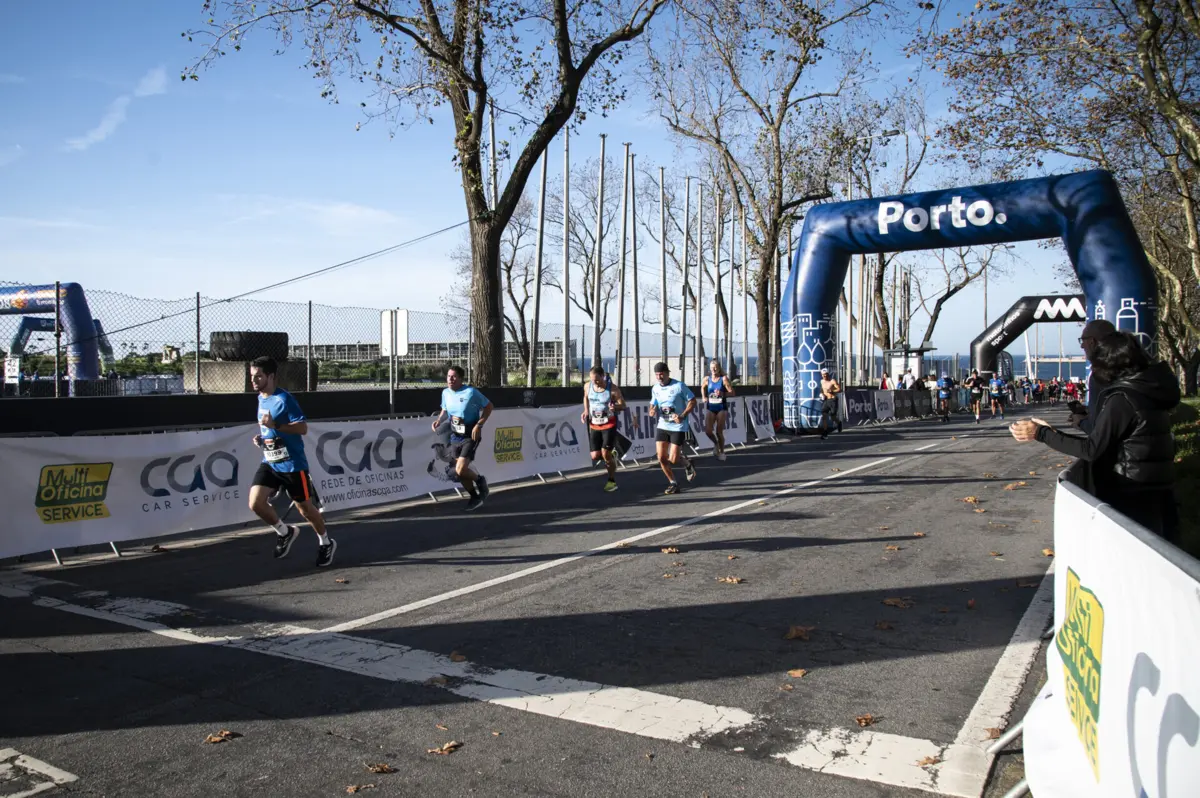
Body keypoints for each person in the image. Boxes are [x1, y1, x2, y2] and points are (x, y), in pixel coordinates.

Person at [1009, 332, 1180, 541]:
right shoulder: (1148, 391)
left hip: (1131, 492)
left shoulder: (1123, 400)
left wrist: (1041, 433)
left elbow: (1091, 449)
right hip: (1157, 490)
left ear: (1109, 365)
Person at [248, 356, 336, 568]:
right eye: (252, 376)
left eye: (258, 376)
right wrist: (262, 438)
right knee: (255, 503)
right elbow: (269, 427)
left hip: (292, 465)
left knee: (305, 509)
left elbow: (302, 428)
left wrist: (276, 425)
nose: (254, 380)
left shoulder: (284, 399)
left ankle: (326, 542)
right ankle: (284, 532)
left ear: (271, 376)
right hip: (270, 461)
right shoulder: (261, 397)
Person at [432, 365, 494, 511]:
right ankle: (474, 496)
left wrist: (479, 424)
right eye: (448, 376)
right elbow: (445, 410)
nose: (450, 379)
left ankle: (480, 481)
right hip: (455, 436)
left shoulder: (471, 392)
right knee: (458, 472)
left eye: (453, 377)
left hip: (470, 435)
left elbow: (489, 406)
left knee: (460, 469)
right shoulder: (445, 393)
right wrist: (439, 420)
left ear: (460, 379)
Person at [648, 361, 697, 494]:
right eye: (657, 375)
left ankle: (687, 463)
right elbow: (653, 404)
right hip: (663, 425)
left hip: (678, 426)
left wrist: (683, 415)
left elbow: (693, 400)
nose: (659, 377)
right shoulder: (655, 388)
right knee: (661, 457)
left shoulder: (679, 386)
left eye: (661, 374)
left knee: (673, 459)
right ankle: (673, 483)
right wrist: (652, 410)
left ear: (667, 373)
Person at [581, 366, 626, 492]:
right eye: (592, 380)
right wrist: (586, 410)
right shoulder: (587, 386)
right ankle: (612, 457)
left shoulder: (613, 389)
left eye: (597, 380)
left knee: (605, 453)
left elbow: (623, 405)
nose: (595, 382)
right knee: (595, 456)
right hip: (594, 424)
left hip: (609, 424)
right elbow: (586, 397)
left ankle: (611, 480)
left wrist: (615, 407)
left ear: (603, 376)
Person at [1071, 319, 1118, 431]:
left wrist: (1080, 422)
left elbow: (1098, 429)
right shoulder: (1131, 368)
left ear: (1092, 341)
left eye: (1083, 340)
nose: (1082, 346)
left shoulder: (1101, 375)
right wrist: (1090, 411)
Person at [702, 359, 736, 461]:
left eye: (715, 367)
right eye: (712, 368)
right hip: (711, 407)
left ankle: (722, 452)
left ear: (719, 368)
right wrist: (704, 396)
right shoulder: (707, 379)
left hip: (721, 407)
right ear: (710, 368)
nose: (714, 369)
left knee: (718, 432)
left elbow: (732, 393)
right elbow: (702, 387)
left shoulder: (724, 379)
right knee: (708, 431)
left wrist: (722, 394)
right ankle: (716, 444)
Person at [818, 368, 843, 439]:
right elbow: (822, 389)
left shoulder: (832, 381)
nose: (824, 376)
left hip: (833, 400)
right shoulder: (822, 381)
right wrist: (821, 393)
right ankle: (825, 432)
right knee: (824, 415)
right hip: (826, 400)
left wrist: (832, 390)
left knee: (833, 417)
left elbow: (839, 389)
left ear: (828, 374)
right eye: (823, 375)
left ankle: (838, 423)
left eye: (825, 375)